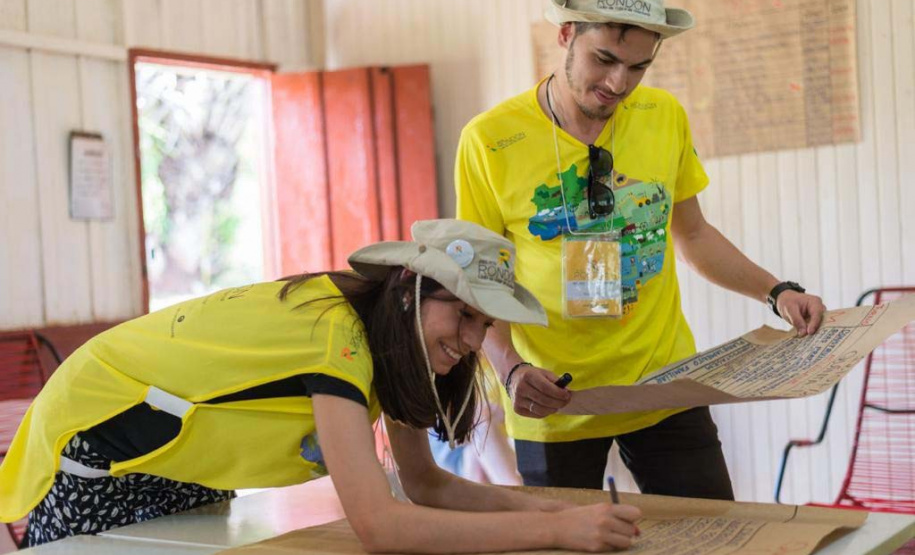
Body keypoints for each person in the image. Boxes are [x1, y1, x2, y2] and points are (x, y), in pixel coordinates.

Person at [0, 219, 643, 552]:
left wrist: (558, 512)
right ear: (409, 293)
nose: (474, 342)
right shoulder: (337, 336)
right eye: (463, 314)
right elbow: (380, 526)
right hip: (106, 431)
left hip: (186, 450)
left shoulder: (392, 346)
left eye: (486, 324)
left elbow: (424, 483)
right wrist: (554, 535)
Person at [454, 0, 827, 497]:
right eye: (604, 59)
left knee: (710, 535)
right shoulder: (489, 140)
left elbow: (692, 234)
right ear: (566, 34)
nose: (618, 84)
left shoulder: (663, 115)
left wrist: (776, 291)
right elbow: (481, 280)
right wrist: (510, 369)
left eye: (638, 67)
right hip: (554, 396)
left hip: (665, 382)